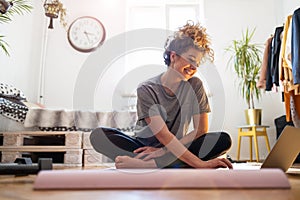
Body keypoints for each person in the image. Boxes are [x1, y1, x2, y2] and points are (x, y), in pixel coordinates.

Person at [90, 21, 232, 169]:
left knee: (223, 140)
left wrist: (162, 152)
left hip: (177, 147)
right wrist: (200, 164)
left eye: (197, 63)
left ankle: (146, 165)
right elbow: (163, 135)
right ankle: (168, 163)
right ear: (173, 56)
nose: (194, 67)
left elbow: (201, 131)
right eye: (190, 60)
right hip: (143, 148)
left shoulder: (195, 85)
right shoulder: (147, 89)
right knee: (99, 135)